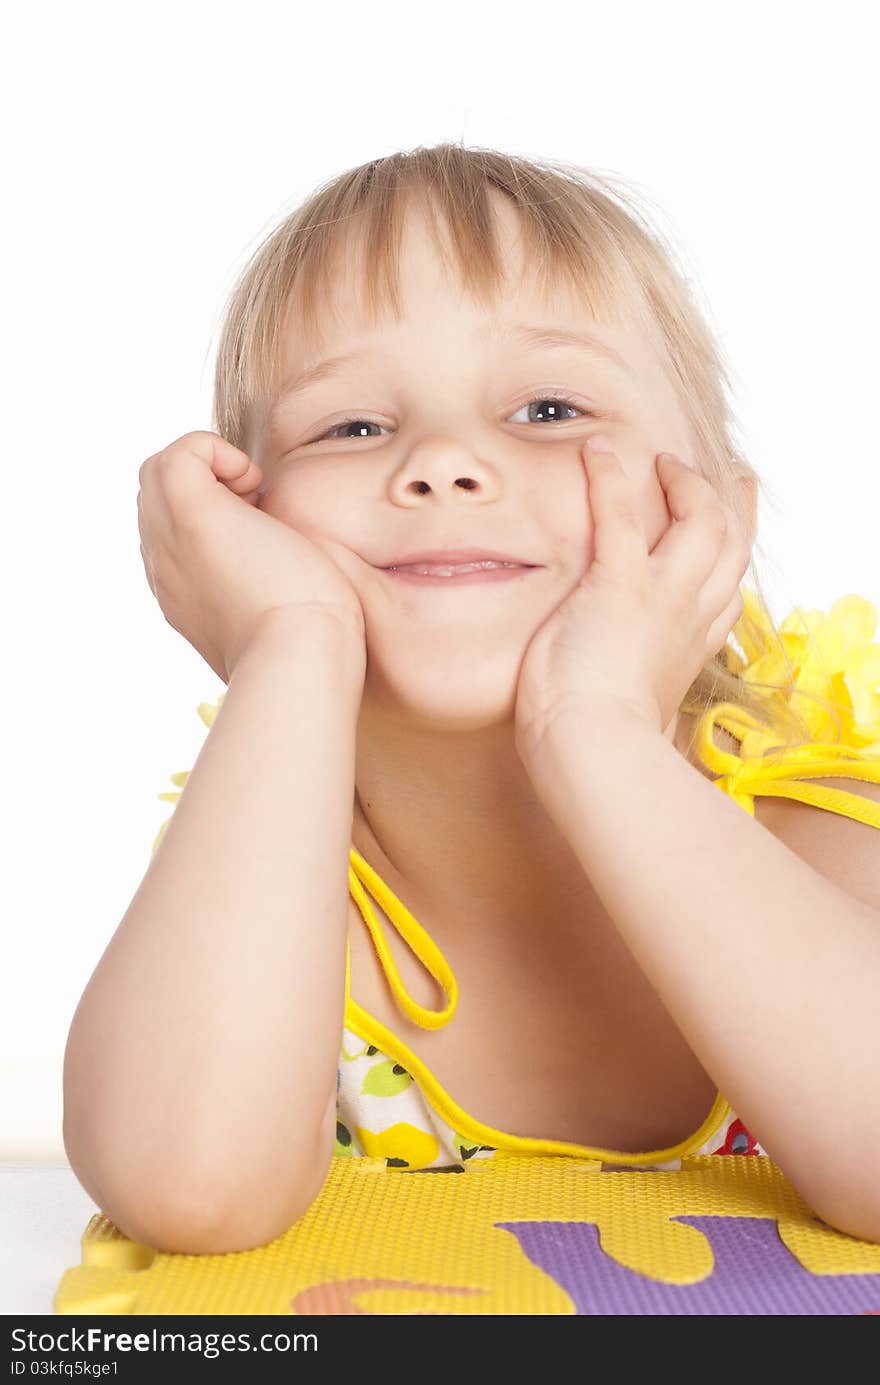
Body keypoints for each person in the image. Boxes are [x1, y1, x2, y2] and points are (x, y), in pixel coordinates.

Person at [63, 143, 880, 1256]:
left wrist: (589, 726)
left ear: (712, 521)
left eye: (546, 407)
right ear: (245, 523)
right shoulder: (269, 868)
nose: (443, 461)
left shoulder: (809, 811)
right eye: (349, 426)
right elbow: (188, 1189)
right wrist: (290, 644)